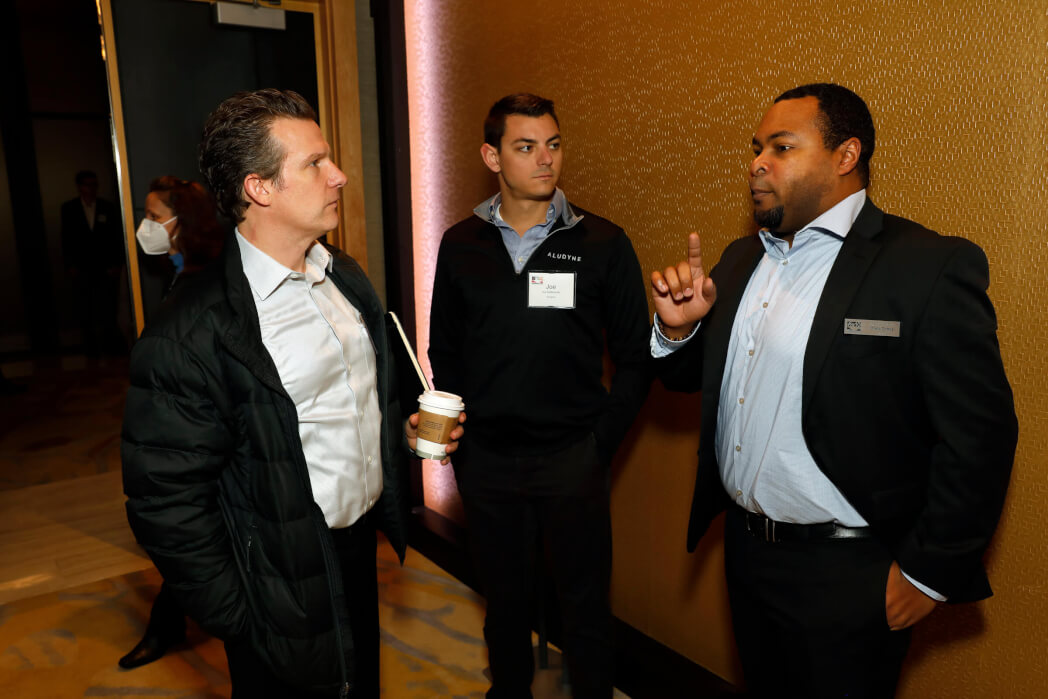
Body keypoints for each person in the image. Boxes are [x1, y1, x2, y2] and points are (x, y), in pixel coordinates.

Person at [650, 83, 1017, 698]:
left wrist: (927, 575)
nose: (757, 163)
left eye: (782, 147)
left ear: (846, 155)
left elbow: (980, 437)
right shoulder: (740, 260)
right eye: (757, 148)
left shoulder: (924, 266)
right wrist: (676, 330)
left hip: (851, 571)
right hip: (746, 555)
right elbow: (692, 383)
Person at [121, 88, 464, 698]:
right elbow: (165, 502)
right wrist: (238, 615)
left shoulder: (344, 276)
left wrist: (400, 434)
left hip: (357, 550)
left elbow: (347, 402)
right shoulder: (189, 331)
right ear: (259, 188)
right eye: (314, 163)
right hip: (273, 574)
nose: (339, 175)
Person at [429, 93, 651, 699]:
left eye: (552, 145)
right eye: (525, 147)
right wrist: (460, 444)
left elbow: (636, 358)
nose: (545, 159)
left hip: (572, 458)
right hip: (489, 462)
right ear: (492, 157)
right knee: (504, 604)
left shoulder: (602, 242)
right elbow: (444, 350)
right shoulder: (460, 243)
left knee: (585, 607)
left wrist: (598, 445)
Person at [119, 176, 226, 670]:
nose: (146, 227)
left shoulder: (212, 279)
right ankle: (168, 624)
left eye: (153, 216)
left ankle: (167, 626)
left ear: (183, 222)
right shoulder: (180, 272)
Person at [60, 169, 125, 356]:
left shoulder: (107, 207)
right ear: (79, 187)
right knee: (85, 308)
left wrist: (116, 263)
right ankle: (91, 349)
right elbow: (66, 239)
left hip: (105, 267)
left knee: (108, 307)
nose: (91, 189)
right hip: (82, 267)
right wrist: (70, 265)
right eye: (87, 185)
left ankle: (110, 346)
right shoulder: (69, 208)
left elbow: (116, 237)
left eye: (94, 185)